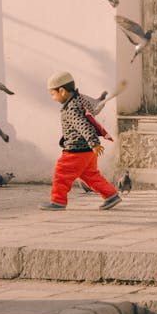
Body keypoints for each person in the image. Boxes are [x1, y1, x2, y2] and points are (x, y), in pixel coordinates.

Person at [40, 70, 122, 211]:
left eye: (53, 94)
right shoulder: (80, 99)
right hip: (88, 151)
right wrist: (93, 145)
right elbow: (92, 110)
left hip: (76, 150)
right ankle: (111, 195)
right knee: (90, 175)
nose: (53, 98)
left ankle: (58, 201)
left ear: (62, 91)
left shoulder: (71, 108)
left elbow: (83, 124)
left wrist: (94, 142)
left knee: (61, 173)